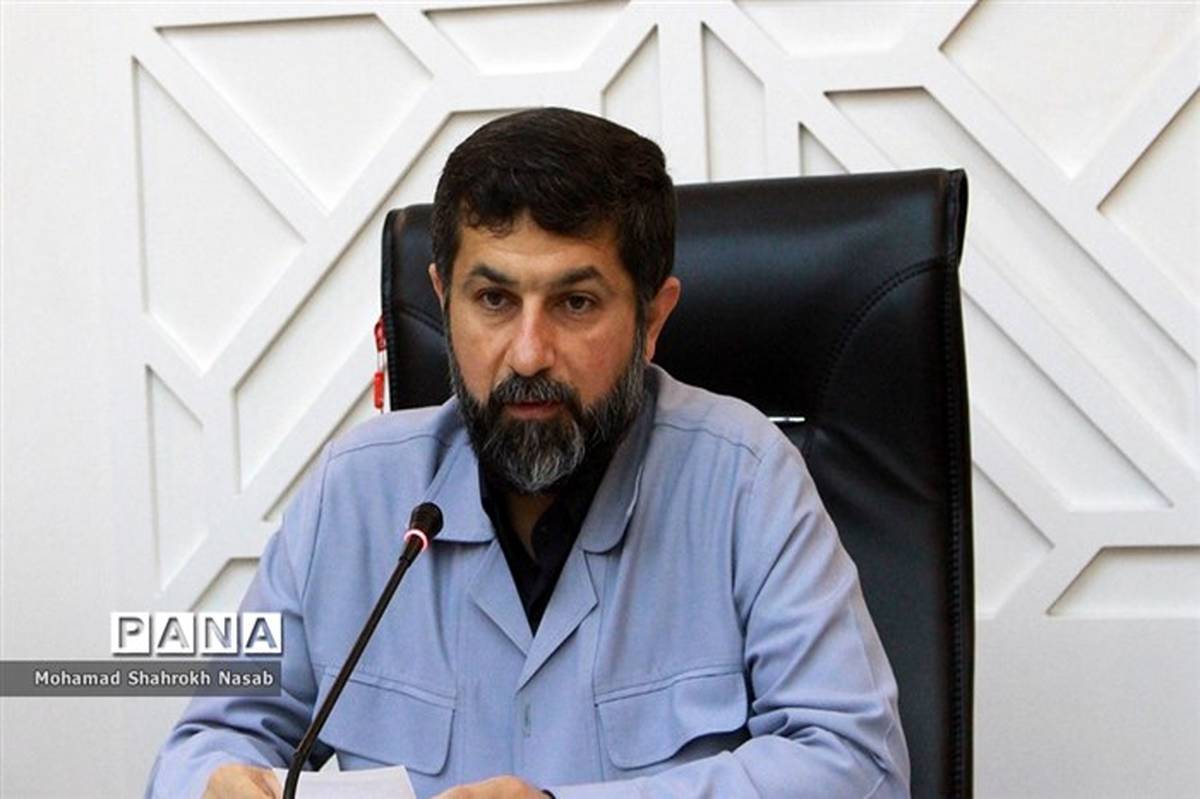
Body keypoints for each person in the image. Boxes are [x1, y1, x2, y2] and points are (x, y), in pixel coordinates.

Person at [146, 108, 909, 799]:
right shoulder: (353, 492)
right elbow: (206, 739)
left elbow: (858, 765)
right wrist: (212, 781)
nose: (528, 352)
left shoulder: (746, 479)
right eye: (494, 300)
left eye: (575, 303)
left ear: (652, 317)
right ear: (443, 301)